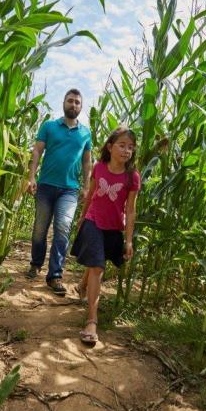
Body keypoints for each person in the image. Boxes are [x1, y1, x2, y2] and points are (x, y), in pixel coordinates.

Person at [71, 126, 140, 344]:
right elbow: (91, 195)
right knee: (98, 267)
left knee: (97, 264)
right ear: (110, 147)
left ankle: (83, 285)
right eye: (122, 145)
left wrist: (128, 240)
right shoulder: (99, 167)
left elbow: (130, 210)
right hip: (93, 221)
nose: (126, 150)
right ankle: (92, 321)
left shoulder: (132, 177)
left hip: (113, 227)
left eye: (131, 147)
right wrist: (82, 220)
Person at [26, 89, 92, 296]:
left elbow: (87, 160)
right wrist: (31, 177)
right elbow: (37, 150)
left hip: (69, 190)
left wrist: (87, 185)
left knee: (63, 228)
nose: (73, 105)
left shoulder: (85, 133)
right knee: (39, 229)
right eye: (70, 101)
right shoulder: (49, 126)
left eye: (77, 103)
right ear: (63, 103)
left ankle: (55, 275)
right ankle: (36, 263)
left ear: (81, 107)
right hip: (45, 185)